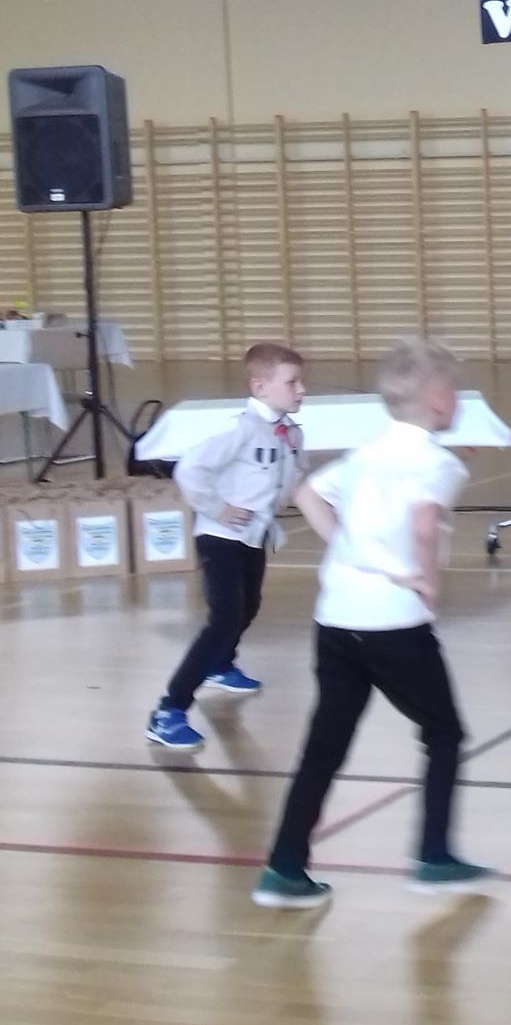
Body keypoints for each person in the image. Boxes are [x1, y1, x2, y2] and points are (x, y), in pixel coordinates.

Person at [252, 339, 491, 909]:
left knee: (325, 744)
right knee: (444, 733)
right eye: (455, 390)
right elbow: (425, 523)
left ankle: (284, 868)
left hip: (336, 617)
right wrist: (426, 579)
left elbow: (307, 493)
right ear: (438, 399)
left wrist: (348, 548)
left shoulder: (366, 454)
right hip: (393, 623)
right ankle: (434, 855)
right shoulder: (439, 463)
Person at [146, 343, 308, 751]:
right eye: (292, 382)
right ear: (260, 387)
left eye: (300, 382)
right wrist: (218, 509)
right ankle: (169, 711)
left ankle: (220, 664)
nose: (301, 390)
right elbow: (190, 469)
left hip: (252, 536)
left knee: (248, 607)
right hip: (220, 537)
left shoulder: (292, 434)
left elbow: (293, 480)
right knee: (223, 619)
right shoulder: (241, 430)